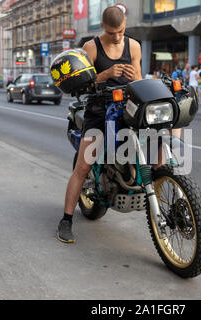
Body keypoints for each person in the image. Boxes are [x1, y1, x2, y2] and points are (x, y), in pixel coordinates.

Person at [56, 6, 143, 243]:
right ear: (103, 27)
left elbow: (140, 79)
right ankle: (66, 220)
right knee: (83, 167)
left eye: (121, 31)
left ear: (125, 23)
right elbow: (84, 86)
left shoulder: (134, 46)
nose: (117, 36)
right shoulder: (91, 47)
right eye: (113, 32)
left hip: (127, 107)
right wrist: (106, 74)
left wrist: (137, 78)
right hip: (98, 110)